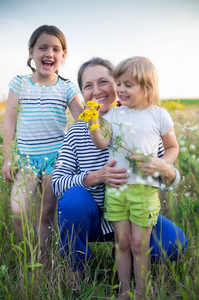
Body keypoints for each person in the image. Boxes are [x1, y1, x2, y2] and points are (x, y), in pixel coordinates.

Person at [51, 57, 186, 291]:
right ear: (82, 92)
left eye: (104, 82)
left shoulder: (143, 119)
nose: (96, 91)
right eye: (88, 86)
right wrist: (94, 177)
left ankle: (125, 258)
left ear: (118, 84)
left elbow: (169, 175)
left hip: (135, 210)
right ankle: (77, 269)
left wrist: (164, 169)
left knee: (174, 244)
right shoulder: (76, 132)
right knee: (73, 201)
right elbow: (57, 183)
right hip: (93, 218)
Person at [88, 57, 179, 298]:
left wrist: (162, 163)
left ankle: (142, 292)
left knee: (140, 244)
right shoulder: (113, 116)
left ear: (147, 87)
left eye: (128, 84)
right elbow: (101, 143)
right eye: (118, 83)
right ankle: (125, 291)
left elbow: (172, 148)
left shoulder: (159, 116)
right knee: (123, 242)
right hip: (116, 190)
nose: (120, 89)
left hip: (143, 191)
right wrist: (93, 121)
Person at [2, 25, 84, 257]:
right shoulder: (19, 83)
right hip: (26, 160)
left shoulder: (67, 87)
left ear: (63, 56)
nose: (49, 53)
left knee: (47, 213)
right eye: (42, 48)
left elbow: (84, 120)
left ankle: (44, 260)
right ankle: (32, 252)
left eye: (56, 49)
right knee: (18, 211)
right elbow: (9, 124)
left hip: (56, 160)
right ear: (31, 52)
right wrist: (8, 159)